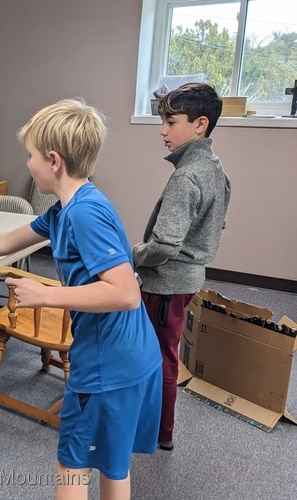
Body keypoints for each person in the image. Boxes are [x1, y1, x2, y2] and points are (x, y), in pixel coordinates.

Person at [0, 99, 162, 500]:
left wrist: (47, 295)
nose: (27, 164)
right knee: (111, 463)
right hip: (132, 356)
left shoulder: (85, 214)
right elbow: (6, 240)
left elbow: (124, 293)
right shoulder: (64, 210)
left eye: (30, 155)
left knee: (72, 466)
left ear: (54, 160)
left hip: (107, 364)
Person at [133, 82, 231, 451]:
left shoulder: (187, 176)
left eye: (170, 121)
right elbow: (218, 221)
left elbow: (165, 244)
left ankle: (162, 432)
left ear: (200, 124)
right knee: (164, 351)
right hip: (189, 278)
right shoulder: (214, 167)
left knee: (161, 357)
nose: (162, 131)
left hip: (167, 282)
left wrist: (134, 254)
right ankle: (156, 422)